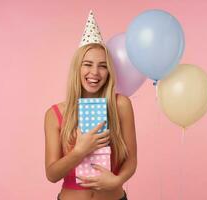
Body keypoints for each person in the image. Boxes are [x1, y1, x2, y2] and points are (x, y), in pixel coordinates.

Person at [44, 11, 137, 200]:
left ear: (109, 71)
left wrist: (117, 181)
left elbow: (132, 160)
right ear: (77, 68)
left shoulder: (121, 105)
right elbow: (52, 174)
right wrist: (79, 151)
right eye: (87, 64)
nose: (95, 72)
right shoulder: (54, 114)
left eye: (103, 66)